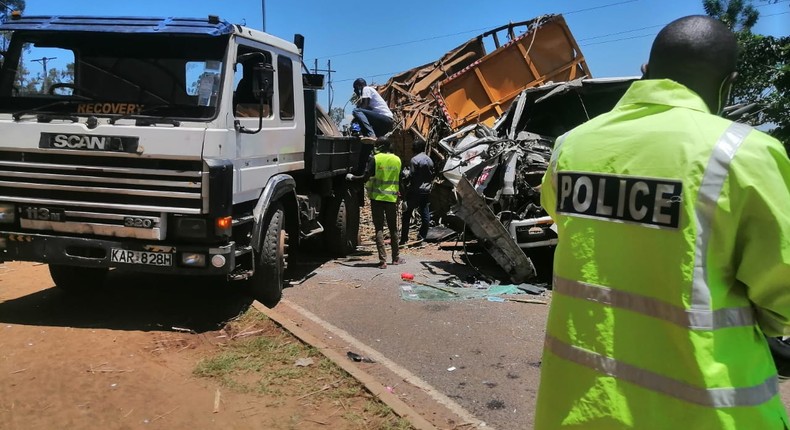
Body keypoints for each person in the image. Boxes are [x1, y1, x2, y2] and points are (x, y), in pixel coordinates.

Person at [535, 15, 790, 429]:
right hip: (706, 412)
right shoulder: (745, 153)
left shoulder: (571, 146)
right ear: (729, 84)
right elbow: (783, 297)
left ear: (645, 72)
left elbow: (572, 229)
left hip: (578, 406)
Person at [346, 137, 405, 269]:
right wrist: (404, 198)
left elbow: (365, 178)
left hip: (377, 199)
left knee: (379, 229)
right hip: (391, 200)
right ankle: (395, 258)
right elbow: (400, 182)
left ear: (381, 146)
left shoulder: (375, 159)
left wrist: (352, 178)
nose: (375, 147)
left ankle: (383, 261)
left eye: (377, 145)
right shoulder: (397, 160)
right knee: (393, 229)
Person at [400, 139, 434, 244]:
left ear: (414, 148)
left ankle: (404, 238)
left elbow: (411, 176)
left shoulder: (414, 160)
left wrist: (404, 174)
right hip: (426, 190)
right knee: (425, 214)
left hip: (415, 191)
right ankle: (422, 236)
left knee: (406, 215)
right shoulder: (429, 160)